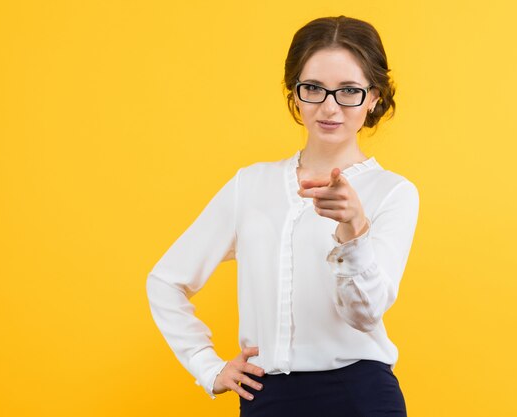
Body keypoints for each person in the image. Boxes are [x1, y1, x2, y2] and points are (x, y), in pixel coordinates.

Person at [146, 15, 419, 417]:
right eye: (313, 88)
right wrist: (209, 367)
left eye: (349, 91)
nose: (330, 107)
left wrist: (353, 231)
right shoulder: (250, 185)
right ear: (295, 93)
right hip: (267, 397)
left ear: (374, 97)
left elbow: (365, 314)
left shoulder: (393, 192)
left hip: (360, 394)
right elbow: (165, 281)